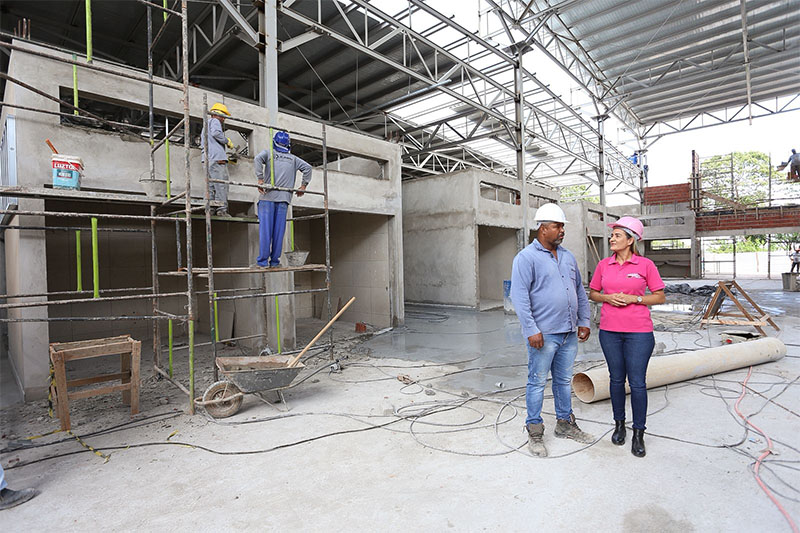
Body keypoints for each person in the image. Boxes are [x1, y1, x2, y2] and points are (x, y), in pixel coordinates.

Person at [510, 203, 594, 457]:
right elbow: (519, 296)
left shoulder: (568, 257)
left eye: (562, 227)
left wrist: (584, 320)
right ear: (543, 228)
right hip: (543, 335)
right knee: (537, 382)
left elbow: (579, 290)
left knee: (563, 381)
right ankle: (535, 431)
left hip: (568, 332)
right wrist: (530, 329)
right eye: (557, 226)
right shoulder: (526, 258)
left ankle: (565, 424)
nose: (562, 231)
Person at [588, 216, 665, 458]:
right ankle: (619, 425)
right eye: (612, 235)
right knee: (616, 380)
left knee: (638, 383)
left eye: (617, 235)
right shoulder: (604, 265)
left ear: (630, 240)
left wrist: (635, 299)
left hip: (639, 332)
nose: (612, 239)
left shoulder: (645, 265)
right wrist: (607, 298)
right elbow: (593, 293)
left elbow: (660, 296)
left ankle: (639, 433)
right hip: (610, 331)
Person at [253, 131, 312, 268]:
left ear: (274, 142)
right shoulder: (293, 159)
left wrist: (260, 179)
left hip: (268, 198)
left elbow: (257, 159)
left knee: (266, 231)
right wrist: (303, 186)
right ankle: (275, 262)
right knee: (279, 233)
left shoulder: (269, 153)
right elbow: (308, 168)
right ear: (288, 145)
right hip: (284, 200)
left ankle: (262, 262)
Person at [202, 102, 235, 217]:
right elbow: (216, 133)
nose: (224, 119)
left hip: (208, 159)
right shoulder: (215, 121)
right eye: (223, 116)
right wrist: (227, 141)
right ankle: (221, 210)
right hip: (217, 159)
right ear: (217, 114)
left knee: (210, 185)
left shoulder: (206, 124)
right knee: (221, 184)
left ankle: (210, 209)